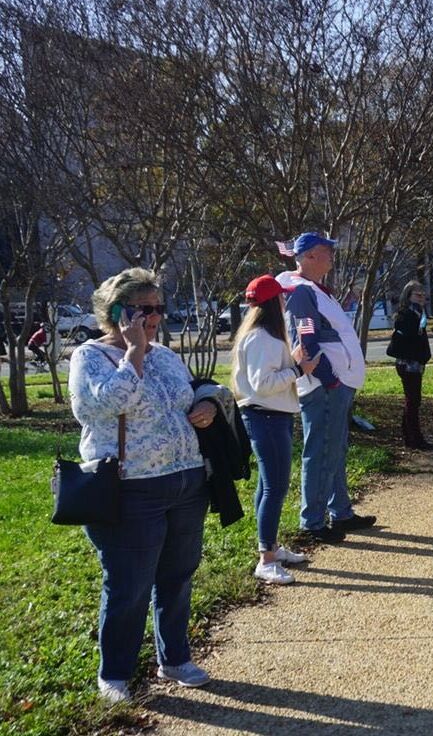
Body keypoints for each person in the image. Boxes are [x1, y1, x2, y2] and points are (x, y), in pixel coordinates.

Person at [69, 268, 218, 702]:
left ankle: (175, 659)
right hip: (131, 488)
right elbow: (102, 406)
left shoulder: (166, 356)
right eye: (142, 309)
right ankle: (114, 674)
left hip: (186, 481)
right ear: (117, 312)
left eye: (158, 308)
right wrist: (132, 353)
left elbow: (196, 390)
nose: (153, 317)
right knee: (129, 585)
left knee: (178, 575)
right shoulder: (90, 357)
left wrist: (208, 401)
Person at [277, 232, 376, 543]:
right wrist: (329, 377)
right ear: (308, 257)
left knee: (334, 448)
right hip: (325, 385)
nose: (332, 256)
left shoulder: (316, 290)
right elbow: (304, 339)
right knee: (321, 451)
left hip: (334, 383)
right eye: (326, 251)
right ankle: (313, 521)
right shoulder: (302, 292)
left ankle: (341, 512)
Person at [232, 275, 322, 585]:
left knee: (268, 486)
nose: (285, 301)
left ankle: (269, 547)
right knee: (274, 487)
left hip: (269, 417)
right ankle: (266, 559)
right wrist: (299, 369)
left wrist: (292, 362)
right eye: (281, 297)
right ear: (273, 302)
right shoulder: (263, 339)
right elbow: (263, 384)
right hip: (266, 417)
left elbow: (264, 378)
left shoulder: (262, 336)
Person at [388, 281, 433, 449]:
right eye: (417, 295)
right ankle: (415, 439)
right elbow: (408, 335)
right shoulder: (405, 314)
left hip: (416, 364)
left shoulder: (419, 313)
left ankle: (410, 437)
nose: (421, 298)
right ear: (408, 296)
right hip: (407, 364)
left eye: (423, 295)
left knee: (413, 401)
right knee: (412, 401)